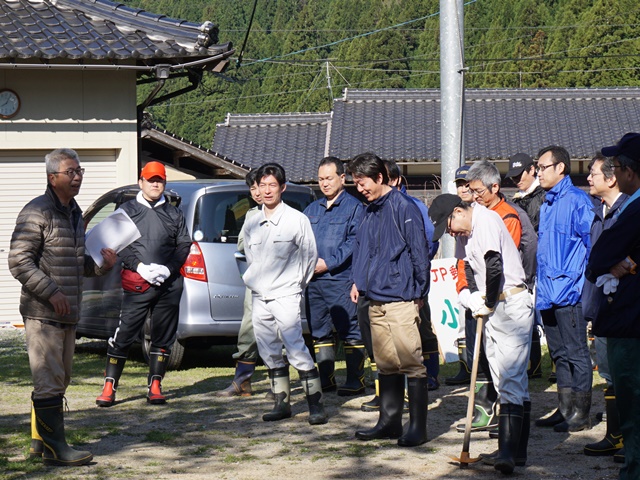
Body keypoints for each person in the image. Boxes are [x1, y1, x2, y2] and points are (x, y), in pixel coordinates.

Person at [9, 148, 117, 466]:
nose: (78, 176)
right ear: (51, 176)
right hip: (42, 312)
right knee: (49, 379)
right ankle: (57, 449)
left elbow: (74, 262)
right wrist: (51, 291)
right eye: (70, 172)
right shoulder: (37, 212)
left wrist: (101, 266)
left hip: (68, 311)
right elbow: (18, 261)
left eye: (80, 170)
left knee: (60, 378)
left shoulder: (73, 212)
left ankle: (40, 443)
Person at [429, 194, 534, 474]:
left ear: (458, 212)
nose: (450, 232)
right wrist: (471, 294)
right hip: (494, 305)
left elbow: (494, 263)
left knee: (511, 376)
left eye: (448, 225)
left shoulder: (485, 219)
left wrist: (485, 301)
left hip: (510, 302)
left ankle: (508, 455)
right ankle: (514, 452)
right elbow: (465, 267)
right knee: (503, 379)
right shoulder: (465, 232)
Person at [348, 153, 430, 448]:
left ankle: (418, 428)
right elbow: (361, 249)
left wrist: (421, 291)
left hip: (400, 296)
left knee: (411, 362)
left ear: (379, 177)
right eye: (356, 183)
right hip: (374, 298)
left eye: (362, 182)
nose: (360, 188)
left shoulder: (404, 207)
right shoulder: (366, 210)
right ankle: (389, 422)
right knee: (385, 363)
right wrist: (357, 280)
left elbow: (420, 251)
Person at [96, 161, 191, 407]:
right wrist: (140, 267)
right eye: (150, 180)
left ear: (164, 183)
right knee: (125, 333)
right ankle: (109, 385)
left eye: (159, 180)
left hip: (168, 284)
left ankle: (155, 384)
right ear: (141, 182)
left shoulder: (174, 213)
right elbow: (117, 244)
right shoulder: (126, 210)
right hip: (136, 282)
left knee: (163, 335)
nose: (155, 184)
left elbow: (183, 245)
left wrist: (168, 269)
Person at [242, 162, 327, 425]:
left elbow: (309, 256)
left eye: (272, 185)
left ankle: (316, 405)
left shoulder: (296, 219)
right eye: (262, 185)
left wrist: (294, 286)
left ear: (283, 188)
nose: (267, 191)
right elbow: (250, 255)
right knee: (268, 348)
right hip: (260, 294)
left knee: (295, 347)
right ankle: (282, 403)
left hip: (287, 294)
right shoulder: (252, 220)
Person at [586, 132, 640, 479]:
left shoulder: (634, 210)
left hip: (631, 320)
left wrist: (625, 261)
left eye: (617, 167)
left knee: (633, 402)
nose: (614, 174)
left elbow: (598, 258)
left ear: (631, 172)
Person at [534, 146, 594, 433]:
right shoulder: (547, 203)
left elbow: (592, 243)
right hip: (547, 291)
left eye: (542, 167)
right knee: (558, 354)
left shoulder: (577, 201)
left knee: (576, 352)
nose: (538, 172)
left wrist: (582, 281)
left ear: (560, 168)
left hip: (569, 291)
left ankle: (581, 413)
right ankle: (565, 407)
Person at [303, 157, 365, 396]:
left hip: (340, 278)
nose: (324, 184)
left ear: (342, 178)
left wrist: (328, 263)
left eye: (329, 178)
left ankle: (355, 379)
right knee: (319, 330)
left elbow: (353, 242)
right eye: (320, 179)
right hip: (314, 281)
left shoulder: (354, 208)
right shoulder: (311, 209)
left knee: (350, 329)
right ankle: (326, 379)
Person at [581, 153, 627, 457]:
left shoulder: (628, 210)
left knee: (627, 372)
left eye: (593, 174)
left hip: (625, 305)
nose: (588, 179)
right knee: (609, 371)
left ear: (611, 178)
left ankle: (627, 436)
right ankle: (615, 434)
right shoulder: (601, 212)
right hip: (603, 302)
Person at [216, 169, 265, 397]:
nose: (257, 192)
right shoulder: (250, 215)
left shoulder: (288, 215)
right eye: (252, 188)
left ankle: (280, 386)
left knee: (279, 332)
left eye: (261, 186)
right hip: (254, 281)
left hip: (280, 283)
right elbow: (241, 246)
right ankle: (242, 381)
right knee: (248, 329)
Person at [445, 164, 474, 387]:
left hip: (479, 275)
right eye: (459, 185)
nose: (463, 189)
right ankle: (466, 367)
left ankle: (477, 368)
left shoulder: (481, 211)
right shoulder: (455, 209)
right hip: (462, 268)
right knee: (464, 323)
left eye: (466, 184)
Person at [505, 153, 546, 233]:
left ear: (531, 170)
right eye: (513, 177)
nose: (516, 180)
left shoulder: (545, 196)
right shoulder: (514, 200)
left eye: (519, 175)